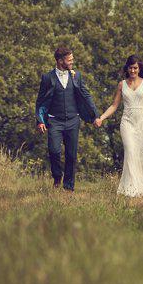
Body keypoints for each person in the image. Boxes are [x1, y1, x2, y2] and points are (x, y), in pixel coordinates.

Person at [95, 55, 143, 197]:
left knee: (139, 155)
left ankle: (140, 185)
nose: (133, 70)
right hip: (127, 122)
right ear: (127, 68)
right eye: (130, 68)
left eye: (135, 68)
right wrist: (101, 117)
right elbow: (115, 105)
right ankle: (131, 188)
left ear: (139, 69)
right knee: (130, 151)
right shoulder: (122, 84)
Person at [35, 46, 98, 191]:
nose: (72, 61)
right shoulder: (47, 78)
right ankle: (57, 177)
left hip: (73, 120)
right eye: (69, 59)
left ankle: (68, 187)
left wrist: (95, 115)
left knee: (71, 155)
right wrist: (40, 120)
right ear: (60, 60)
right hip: (54, 121)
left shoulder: (76, 76)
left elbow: (86, 95)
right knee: (54, 151)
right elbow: (40, 101)